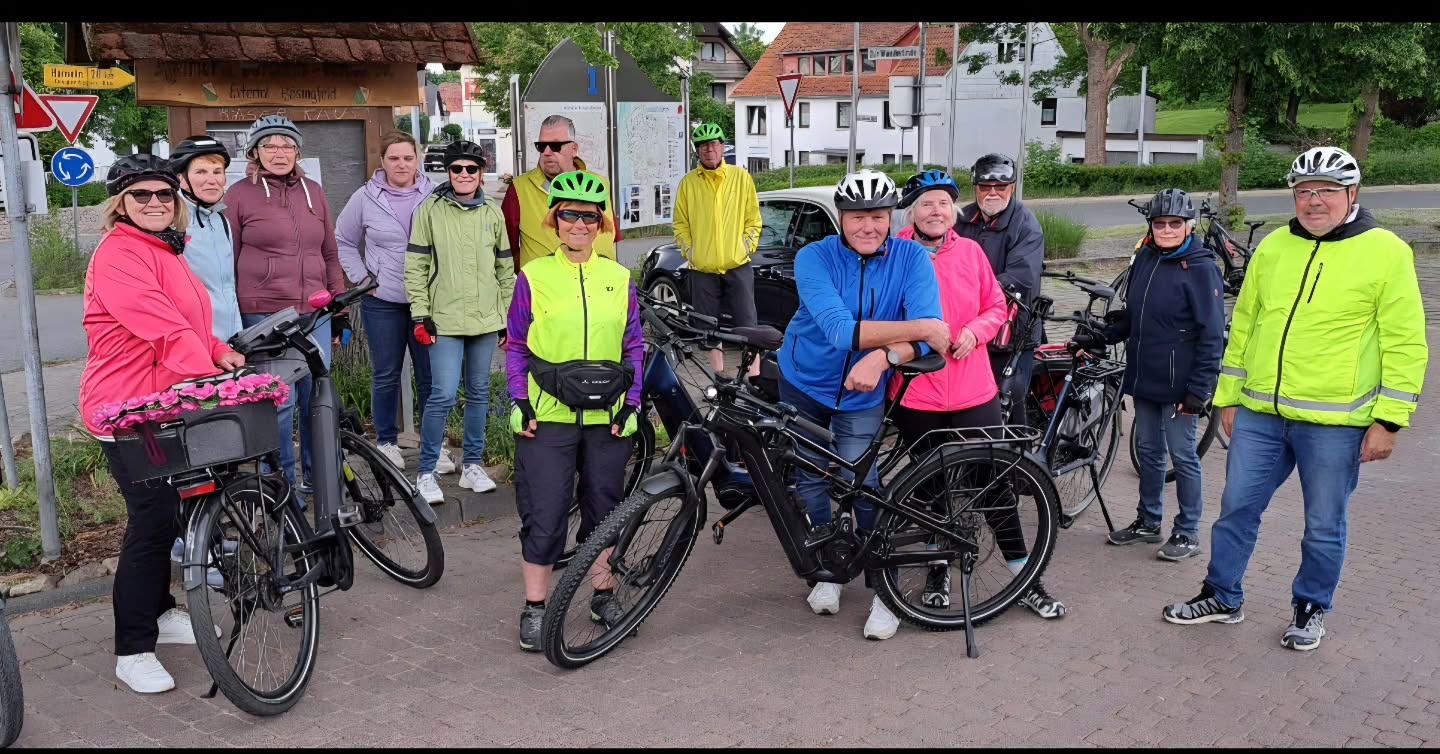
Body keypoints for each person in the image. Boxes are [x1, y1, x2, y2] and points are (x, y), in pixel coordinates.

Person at [1162, 146, 1427, 651]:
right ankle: (1222, 595)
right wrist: (1230, 398)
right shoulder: (1275, 247)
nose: (1313, 201)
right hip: (1261, 413)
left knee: (1323, 523)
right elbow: (1244, 326)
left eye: (1326, 190)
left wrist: (1390, 420)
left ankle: (1310, 607)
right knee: (1236, 509)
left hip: (1335, 421)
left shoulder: (1386, 251)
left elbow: (1405, 341)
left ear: (1352, 194)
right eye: (1304, 191)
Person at [79, 155, 242, 693]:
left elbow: (192, 319)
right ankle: (132, 648)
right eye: (141, 196)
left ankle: (164, 610)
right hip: (126, 410)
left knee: (173, 510)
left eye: (163, 196)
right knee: (151, 521)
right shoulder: (118, 255)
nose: (154, 203)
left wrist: (220, 350)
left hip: (163, 403)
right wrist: (211, 378)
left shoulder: (167, 249)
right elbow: (162, 330)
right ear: (119, 205)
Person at [777, 169, 949, 641]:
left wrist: (885, 356)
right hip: (803, 382)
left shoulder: (912, 258)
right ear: (840, 218)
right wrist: (919, 329)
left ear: (891, 217)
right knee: (808, 480)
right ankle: (829, 571)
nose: (867, 226)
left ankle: (885, 589)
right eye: (856, 217)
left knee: (862, 482)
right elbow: (839, 330)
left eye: (876, 216)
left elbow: (937, 337)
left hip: (862, 394)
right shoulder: (814, 256)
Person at [890, 169, 1068, 620]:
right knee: (930, 490)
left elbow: (995, 305)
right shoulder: (895, 254)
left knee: (994, 484)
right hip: (918, 393)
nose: (936, 211)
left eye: (944, 203)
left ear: (955, 210)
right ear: (912, 211)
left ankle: (1026, 577)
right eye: (927, 203)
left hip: (972, 389)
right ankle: (936, 570)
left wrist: (976, 330)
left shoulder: (970, 251)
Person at [505, 171, 643, 652]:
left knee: (604, 511)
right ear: (554, 220)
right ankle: (536, 607)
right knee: (544, 515)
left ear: (602, 222)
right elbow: (518, 346)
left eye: (589, 215)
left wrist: (634, 404)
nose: (579, 224)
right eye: (569, 214)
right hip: (549, 417)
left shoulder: (619, 277)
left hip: (607, 418)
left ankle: (602, 595)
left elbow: (634, 346)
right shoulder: (534, 277)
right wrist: (519, 402)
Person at [1074, 188, 1225, 561]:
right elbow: (1135, 315)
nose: (1168, 230)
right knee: (1149, 452)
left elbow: (1211, 334)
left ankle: (1188, 531)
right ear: (1151, 226)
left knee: (1183, 455)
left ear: (1189, 226)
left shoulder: (1202, 268)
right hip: (1145, 376)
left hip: (1181, 385)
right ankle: (1148, 521)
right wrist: (1104, 336)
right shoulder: (1145, 258)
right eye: (1161, 223)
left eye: (1176, 224)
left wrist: (1200, 389)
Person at [225, 115, 346, 494]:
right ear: (255, 152)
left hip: (314, 312)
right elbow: (229, 256)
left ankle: (317, 475)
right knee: (279, 401)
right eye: (270, 146)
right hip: (265, 311)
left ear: (298, 152)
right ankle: (280, 482)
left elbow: (329, 252)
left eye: (287, 146)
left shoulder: (314, 191)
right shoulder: (239, 194)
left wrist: (338, 308)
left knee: (316, 396)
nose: (279, 153)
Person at [405, 140, 514, 504]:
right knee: (444, 394)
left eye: (471, 169)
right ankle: (425, 471)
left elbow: (505, 270)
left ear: (481, 173)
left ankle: (471, 466)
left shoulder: (493, 214)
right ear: (447, 173)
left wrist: (507, 319)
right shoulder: (430, 210)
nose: (464, 175)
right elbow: (416, 267)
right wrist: (420, 314)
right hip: (445, 319)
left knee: (480, 393)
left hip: (485, 319)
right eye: (456, 169)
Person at [336, 130, 443, 473]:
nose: (401, 164)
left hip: (427, 301)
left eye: (408, 158)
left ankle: (434, 446)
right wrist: (364, 279)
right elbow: (344, 240)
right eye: (394, 158)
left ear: (418, 159)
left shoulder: (436, 195)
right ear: (382, 162)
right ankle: (386, 442)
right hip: (383, 299)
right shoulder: (365, 197)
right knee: (386, 374)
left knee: (430, 376)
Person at [953, 153, 1046, 424]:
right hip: (968, 330)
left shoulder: (1026, 225)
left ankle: (1019, 463)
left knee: (1008, 406)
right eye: (985, 186)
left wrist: (965, 294)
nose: (992, 193)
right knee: (970, 407)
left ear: (1012, 187)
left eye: (1000, 187)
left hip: (1012, 334)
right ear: (975, 187)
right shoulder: (961, 219)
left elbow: (1020, 277)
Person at [673, 122, 763, 375]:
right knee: (706, 326)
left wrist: (746, 247)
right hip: (702, 267)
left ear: (722, 146)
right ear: (697, 151)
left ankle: (753, 378)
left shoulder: (741, 177)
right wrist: (690, 252)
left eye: (713, 144)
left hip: (737, 264)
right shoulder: (688, 183)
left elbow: (753, 219)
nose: (708, 149)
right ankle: (718, 378)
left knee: (748, 324)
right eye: (702, 145)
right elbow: (680, 223)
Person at [501, 114, 624, 271]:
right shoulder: (519, 189)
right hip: (546, 291)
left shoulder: (599, 184)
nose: (546, 152)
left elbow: (610, 236)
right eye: (541, 146)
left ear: (574, 149)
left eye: (555, 146)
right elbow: (506, 249)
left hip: (600, 287)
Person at [169, 135, 242, 342]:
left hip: (228, 341)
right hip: (192, 342)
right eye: (201, 172)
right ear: (181, 178)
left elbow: (228, 287)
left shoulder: (221, 221)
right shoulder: (173, 222)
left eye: (217, 172)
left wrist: (237, 336)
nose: (212, 180)